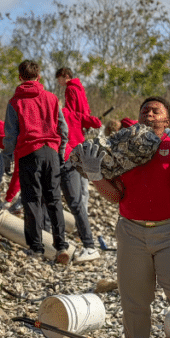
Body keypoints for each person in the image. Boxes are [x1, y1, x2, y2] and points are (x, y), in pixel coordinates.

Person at [75, 97, 170, 338]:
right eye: (144, 110)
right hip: (132, 230)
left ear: (167, 119)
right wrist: (96, 175)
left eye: (156, 110)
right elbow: (116, 195)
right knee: (134, 299)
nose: (148, 113)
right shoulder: (124, 151)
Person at [3, 60, 70, 264]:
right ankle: (61, 246)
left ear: (20, 77)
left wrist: (7, 159)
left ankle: (36, 248)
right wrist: (61, 150)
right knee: (54, 199)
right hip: (50, 151)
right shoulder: (51, 98)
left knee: (32, 200)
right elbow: (62, 127)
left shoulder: (15, 102)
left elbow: (11, 135)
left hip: (29, 153)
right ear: (38, 76)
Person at [60, 102, 102, 263]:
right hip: (76, 155)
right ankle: (86, 243)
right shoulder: (73, 114)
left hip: (68, 159)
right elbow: (97, 122)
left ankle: (88, 244)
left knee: (74, 201)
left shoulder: (54, 116)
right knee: (78, 200)